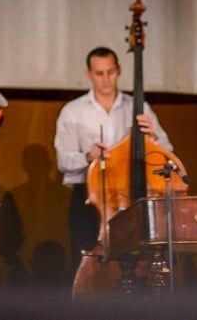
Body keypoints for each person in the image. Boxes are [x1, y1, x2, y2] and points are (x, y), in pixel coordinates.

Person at [53, 46, 174, 273]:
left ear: (119, 70)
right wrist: (89, 156)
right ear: (89, 74)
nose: (106, 79)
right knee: (86, 261)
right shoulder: (73, 111)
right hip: (90, 197)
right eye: (99, 73)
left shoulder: (139, 107)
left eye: (110, 72)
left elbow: (168, 153)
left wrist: (152, 138)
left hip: (132, 193)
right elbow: (63, 160)